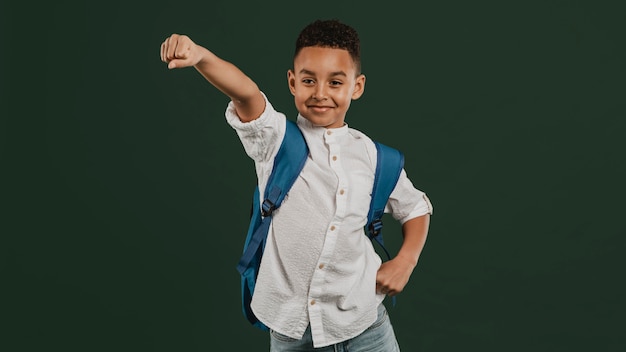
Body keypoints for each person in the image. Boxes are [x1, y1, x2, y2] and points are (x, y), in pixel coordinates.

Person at [160, 19, 433, 351]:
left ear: (356, 87)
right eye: (308, 80)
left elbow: (416, 207)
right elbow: (245, 92)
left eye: (335, 82)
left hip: (366, 324)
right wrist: (201, 56)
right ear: (292, 82)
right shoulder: (274, 141)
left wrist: (405, 261)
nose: (320, 93)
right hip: (292, 331)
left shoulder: (375, 157)